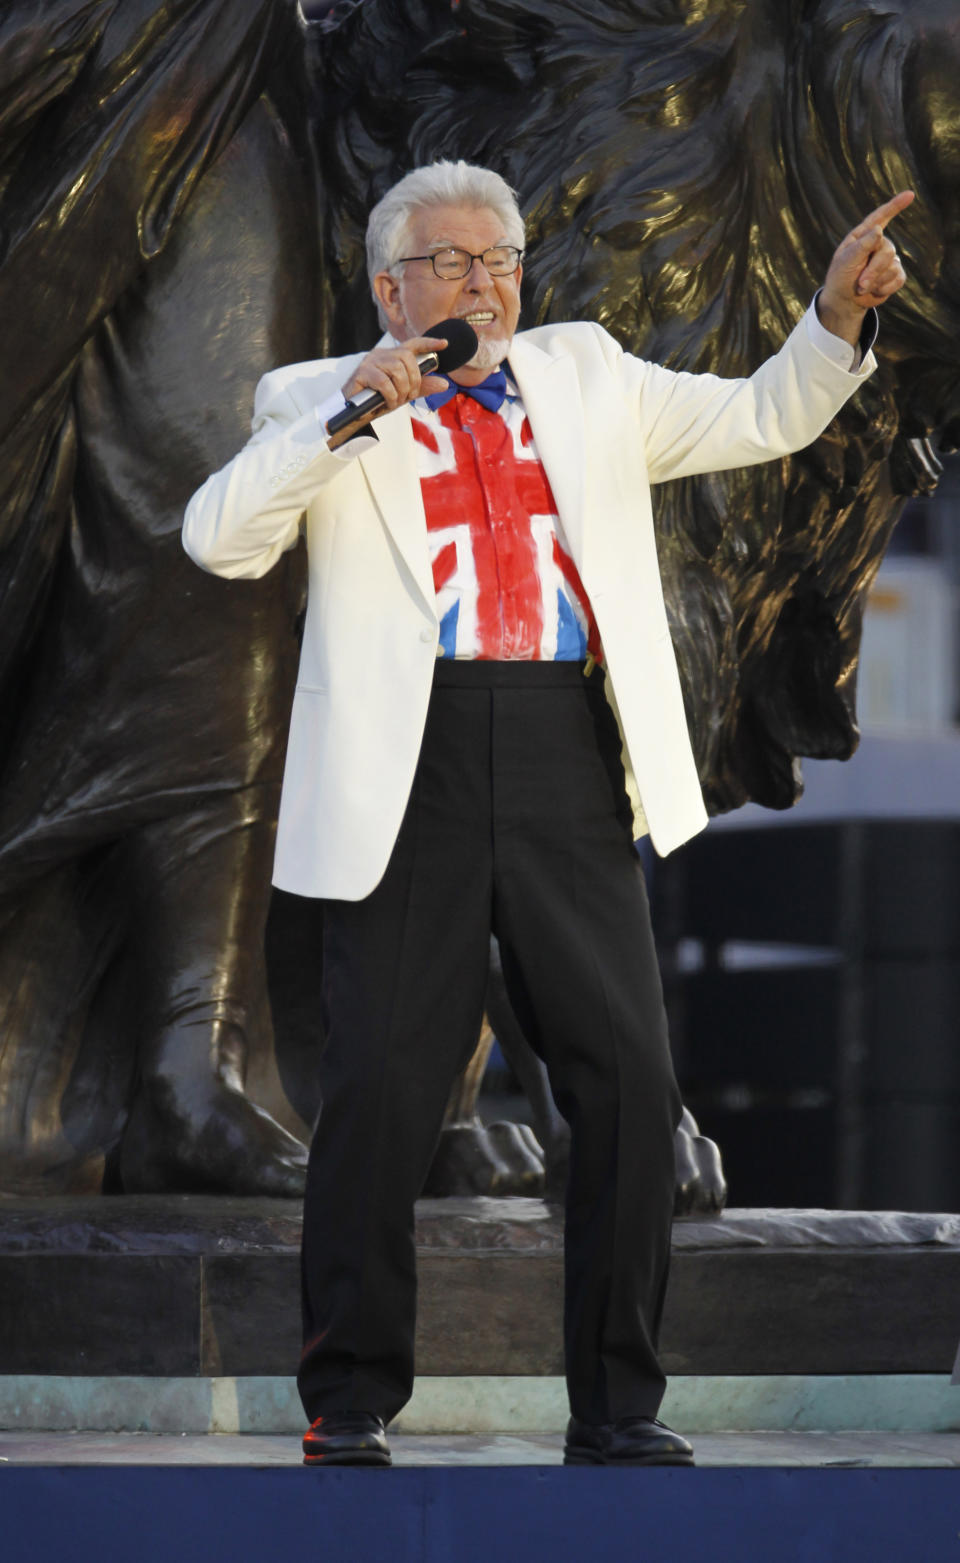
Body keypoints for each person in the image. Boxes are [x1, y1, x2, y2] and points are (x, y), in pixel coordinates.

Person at [182, 161, 911, 1467]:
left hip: (570, 748)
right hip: (413, 762)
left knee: (628, 1079)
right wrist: (348, 414)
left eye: (500, 260)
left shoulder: (585, 372)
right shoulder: (314, 395)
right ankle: (348, 1399)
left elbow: (761, 414)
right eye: (451, 264)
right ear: (388, 283)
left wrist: (835, 317)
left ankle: (619, 1404)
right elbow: (219, 539)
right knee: (384, 1094)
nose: (481, 285)